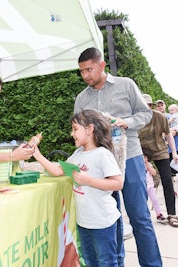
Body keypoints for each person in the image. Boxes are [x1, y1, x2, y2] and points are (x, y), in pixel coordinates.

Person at [74, 47, 162, 267]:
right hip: (98, 166)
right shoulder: (81, 99)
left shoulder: (126, 84)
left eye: (89, 69)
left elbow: (146, 113)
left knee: (140, 217)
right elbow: (78, 130)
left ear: (102, 65)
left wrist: (126, 122)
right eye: (82, 71)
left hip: (129, 158)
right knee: (110, 221)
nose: (85, 75)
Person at [33, 109, 123, 267]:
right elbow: (57, 171)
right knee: (89, 261)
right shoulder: (78, 154)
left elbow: (117, 183)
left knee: (106, 262)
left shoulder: (102, 154)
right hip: (84, 223)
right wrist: (36, 153)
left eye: (75, 129)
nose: (71, 133)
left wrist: (88, 180)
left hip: (103, 223)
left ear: (89, 129)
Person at [138, 94, 178, 228]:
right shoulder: (134, 118)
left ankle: (172, 214)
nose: (145, 108)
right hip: (141, 153)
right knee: (139, 183)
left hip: (160, 150)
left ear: (151, 105)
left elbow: (168, 134)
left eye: (148, 105)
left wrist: (174, 152)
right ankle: (141, 215)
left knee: (167, 181)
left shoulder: (159, 116)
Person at [142, 148, 167, 224]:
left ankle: (159, 214)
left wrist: (148, 166)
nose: (144, 158)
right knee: (143, 202)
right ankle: (144, 215)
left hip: (150, 186)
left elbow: (154, 173)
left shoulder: (149, 164)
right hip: (143, 187)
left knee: (155, 200)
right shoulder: (138, 166)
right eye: (142, 156)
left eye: (145, 157)